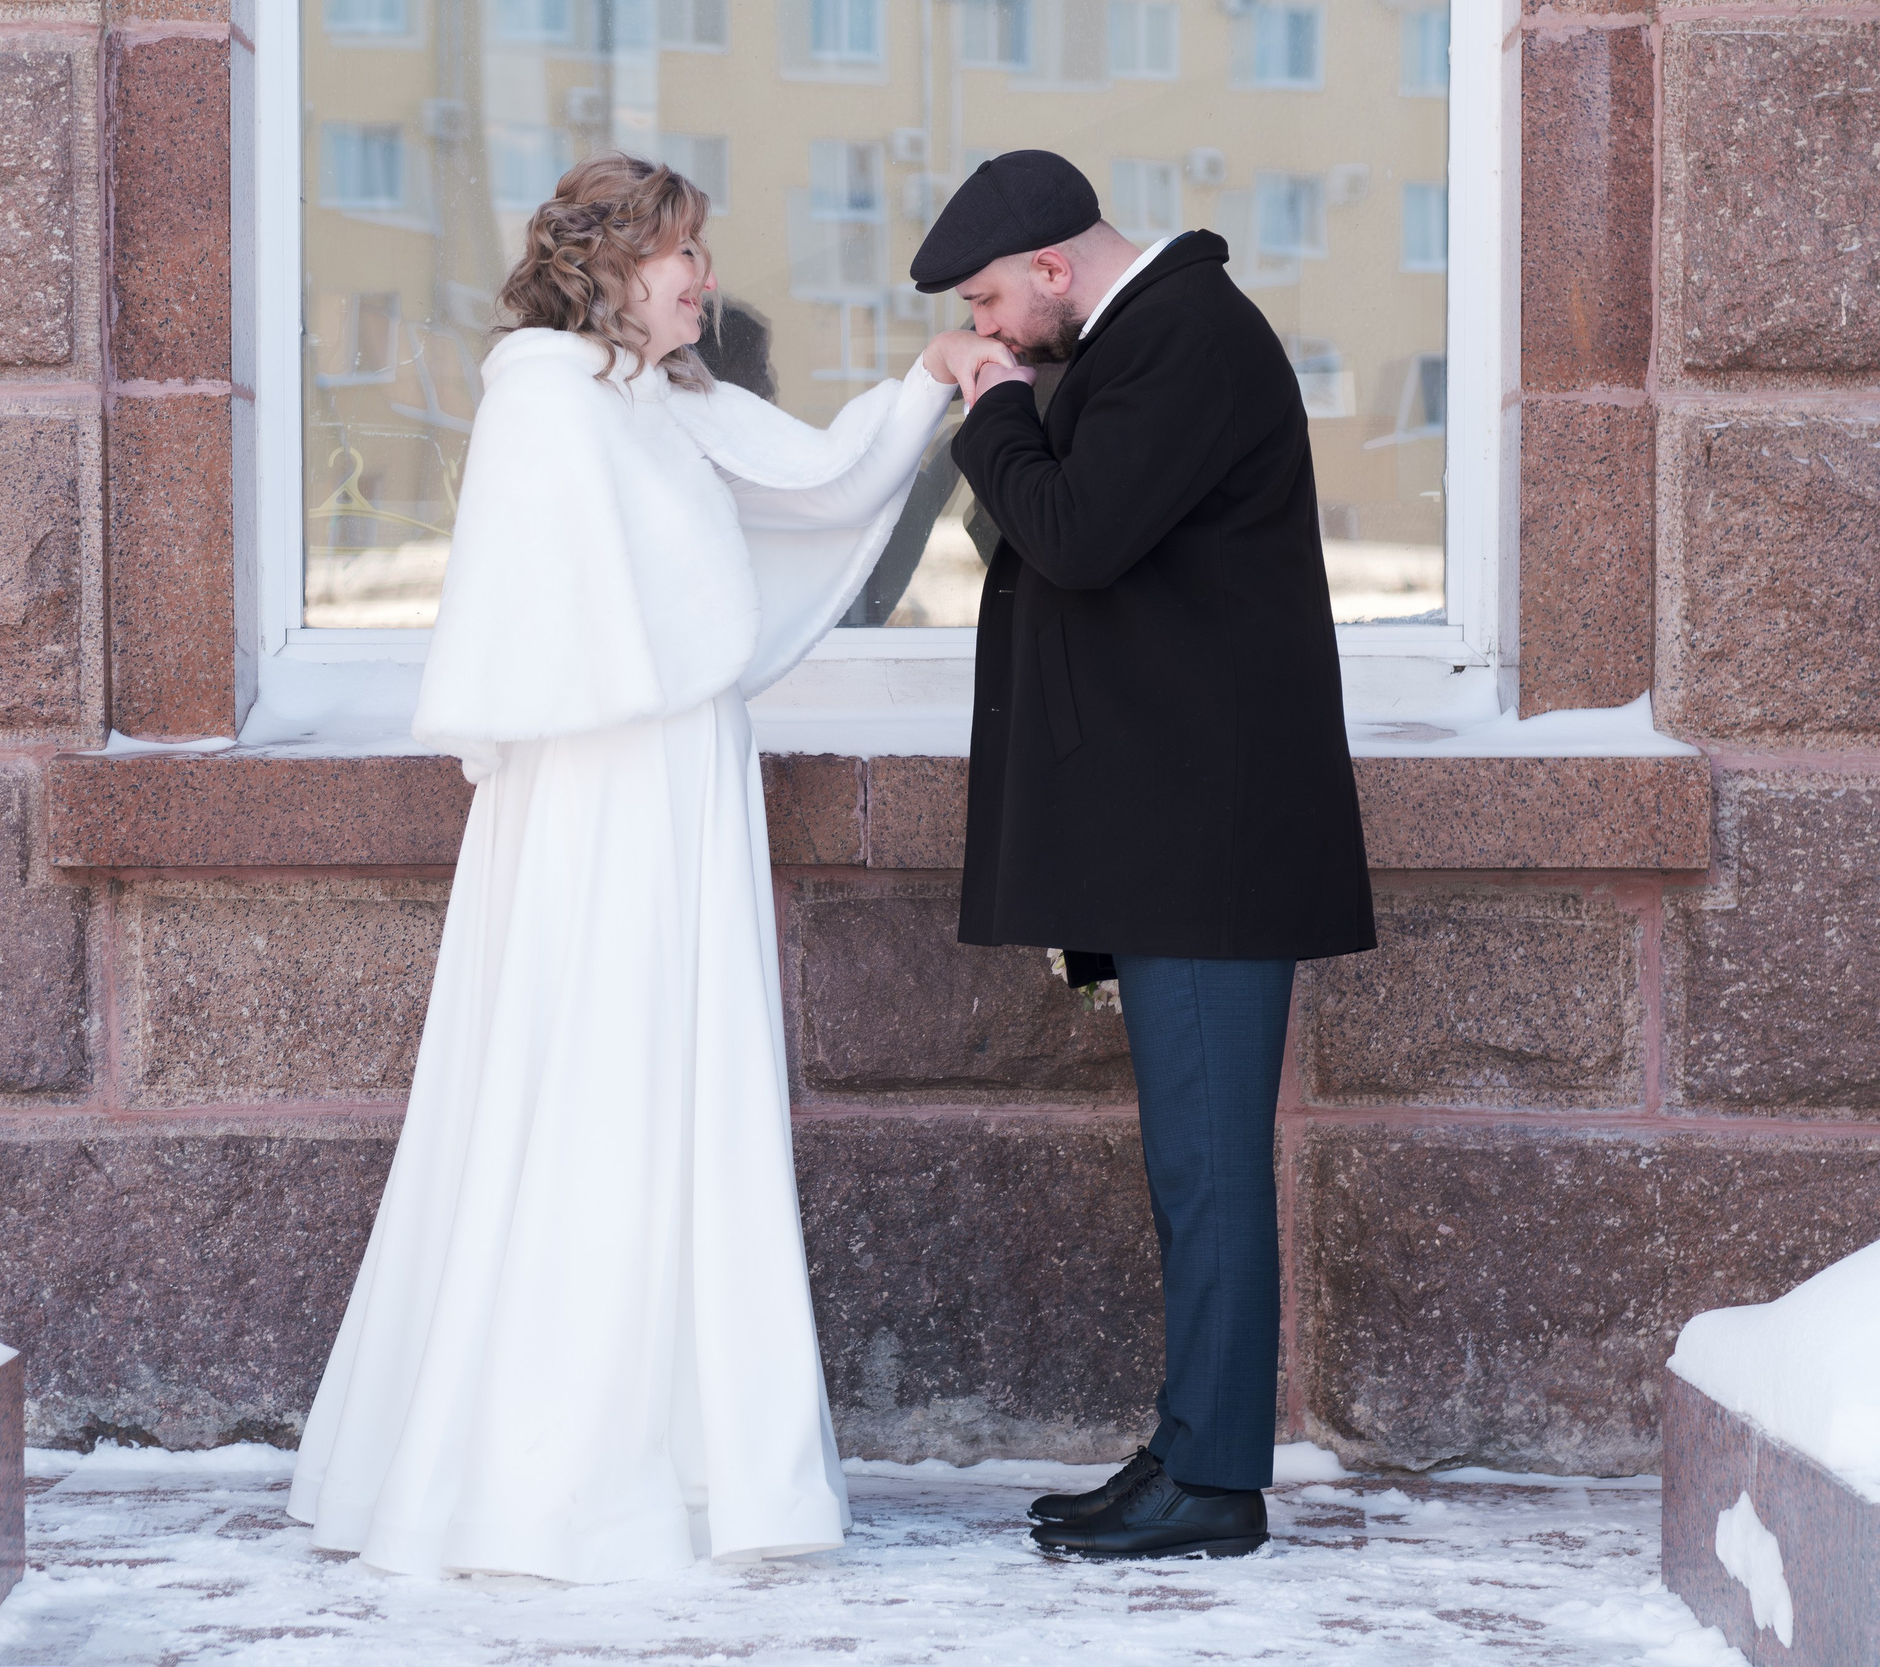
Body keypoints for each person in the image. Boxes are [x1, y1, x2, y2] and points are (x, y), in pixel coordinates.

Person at [285, 152, 1012, 1583]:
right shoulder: (551, 401)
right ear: (614, 264)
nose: (707, 278)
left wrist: (930, 378)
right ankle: (556, 1474)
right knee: (601, 1086)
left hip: (676, 769)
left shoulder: (660, 398)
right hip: (603, 788)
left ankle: (691, 1467)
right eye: (686, 251)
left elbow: (814, 482)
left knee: (680, 1094)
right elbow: (560, 623)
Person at [907, 151, 1377, 1561]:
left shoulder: (1181, 335)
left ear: (1055, 266)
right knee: (1194, 1168)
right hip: (1183, 834)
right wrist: (1016, 402)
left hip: (1207, 845)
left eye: (992, 302)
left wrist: (993, 408)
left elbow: (1077, 535)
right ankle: (1188, 1449)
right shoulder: (1147, 340)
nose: (987, 331)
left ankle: (1216, 1484)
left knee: (1214, 1171)